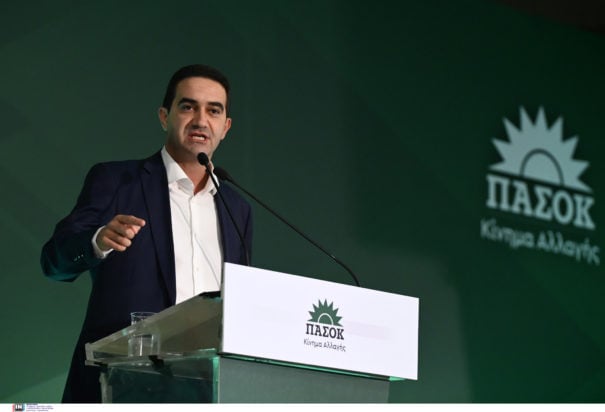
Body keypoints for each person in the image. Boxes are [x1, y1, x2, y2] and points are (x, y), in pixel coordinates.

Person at [40, 64, 253, 403]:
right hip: (124, 384)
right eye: (188, 106)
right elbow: (54, 261)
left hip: (208, 389)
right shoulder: (117, 181)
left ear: (225, 127)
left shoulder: (237, 208)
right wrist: (96, 242)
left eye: (213, 111)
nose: (201, 120)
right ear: (164, 116)